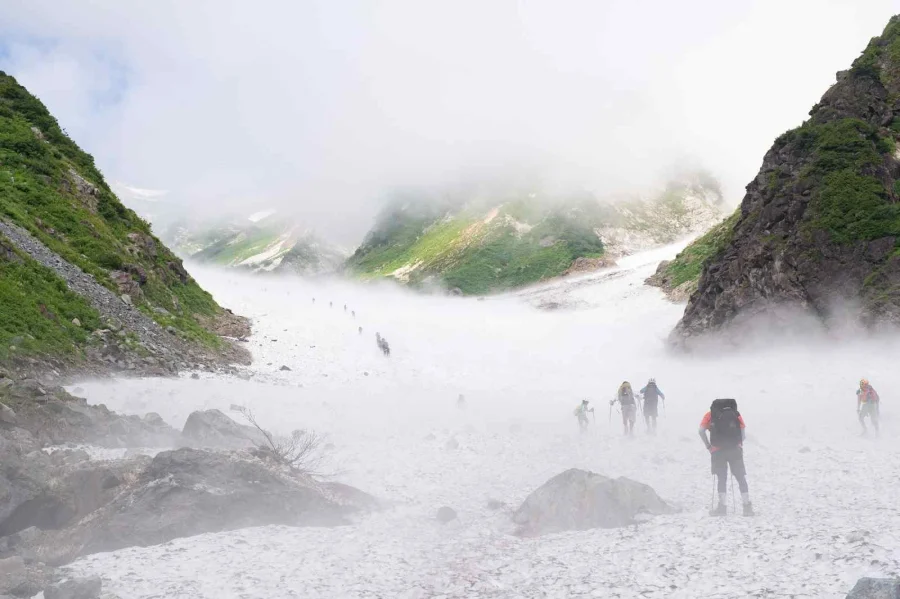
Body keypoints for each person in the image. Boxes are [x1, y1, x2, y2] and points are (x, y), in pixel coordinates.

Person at [699, 398, 752, 516]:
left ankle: (722, 508)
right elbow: (743, 433)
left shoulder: (710, 414)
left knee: (721, 478)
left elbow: (701, 431)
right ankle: (747, 507)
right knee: (741, 478)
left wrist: (709, 447)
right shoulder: (735, 414)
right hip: (735, 450)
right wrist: (737, 444)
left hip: (718, 451)